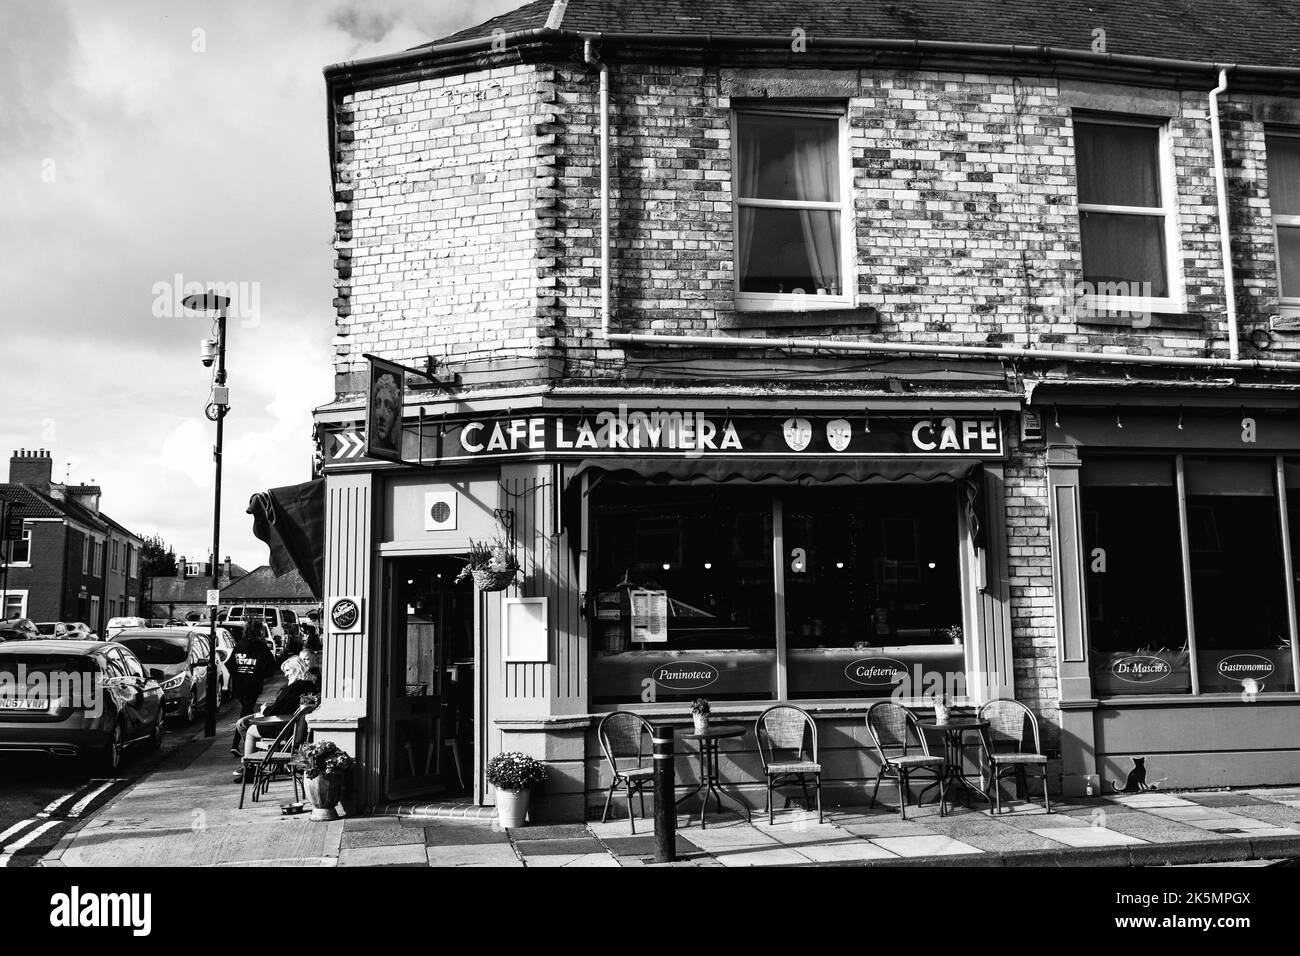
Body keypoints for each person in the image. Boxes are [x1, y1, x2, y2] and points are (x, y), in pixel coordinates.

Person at [231, 668, 320, 777]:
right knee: (242, 723)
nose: (286, 674)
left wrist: (264, 710)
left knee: (249, 729)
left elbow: (277, 710)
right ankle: (252, 761)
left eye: (288, 670)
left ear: (297, 669)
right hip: (287, 724)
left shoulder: (293, 687)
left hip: (281, 726)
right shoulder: (307, 685)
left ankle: (250, 766)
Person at [227, 620, 276, 755]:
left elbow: (230, 664)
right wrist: (258, 673)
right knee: (245, 713)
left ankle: (238, 744)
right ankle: (238, 743)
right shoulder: (261, 646)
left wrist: (238, 674)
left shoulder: (240, 645)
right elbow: (270, 666)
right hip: (253, 685)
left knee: (245, 710)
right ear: (258, 631)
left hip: (239, 685)